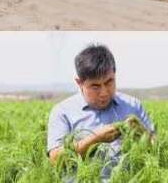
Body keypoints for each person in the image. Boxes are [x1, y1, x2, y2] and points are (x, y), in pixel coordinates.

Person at [47, 44, 155, 179]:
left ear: (115, 74)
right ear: (79, 82)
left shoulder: (133, 106)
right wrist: (95, 140)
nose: (104, 92)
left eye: (109, 82)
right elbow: (56, 159)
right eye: (95, 86)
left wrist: (141, 133)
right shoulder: (62, 112)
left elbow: (157, 150)